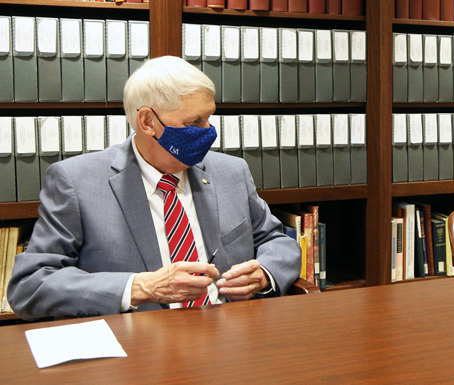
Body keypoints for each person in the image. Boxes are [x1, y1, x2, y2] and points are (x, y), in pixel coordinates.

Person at [8, 56, 301, 320]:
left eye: (209, 117)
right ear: (148, 121)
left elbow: (277, 241)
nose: (208, 132)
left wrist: (264, 273)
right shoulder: (75, 182)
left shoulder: (230, 171)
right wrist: (140, 287)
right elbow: (30, 286)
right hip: (138, 347)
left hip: (230, 336)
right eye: (193, 122)